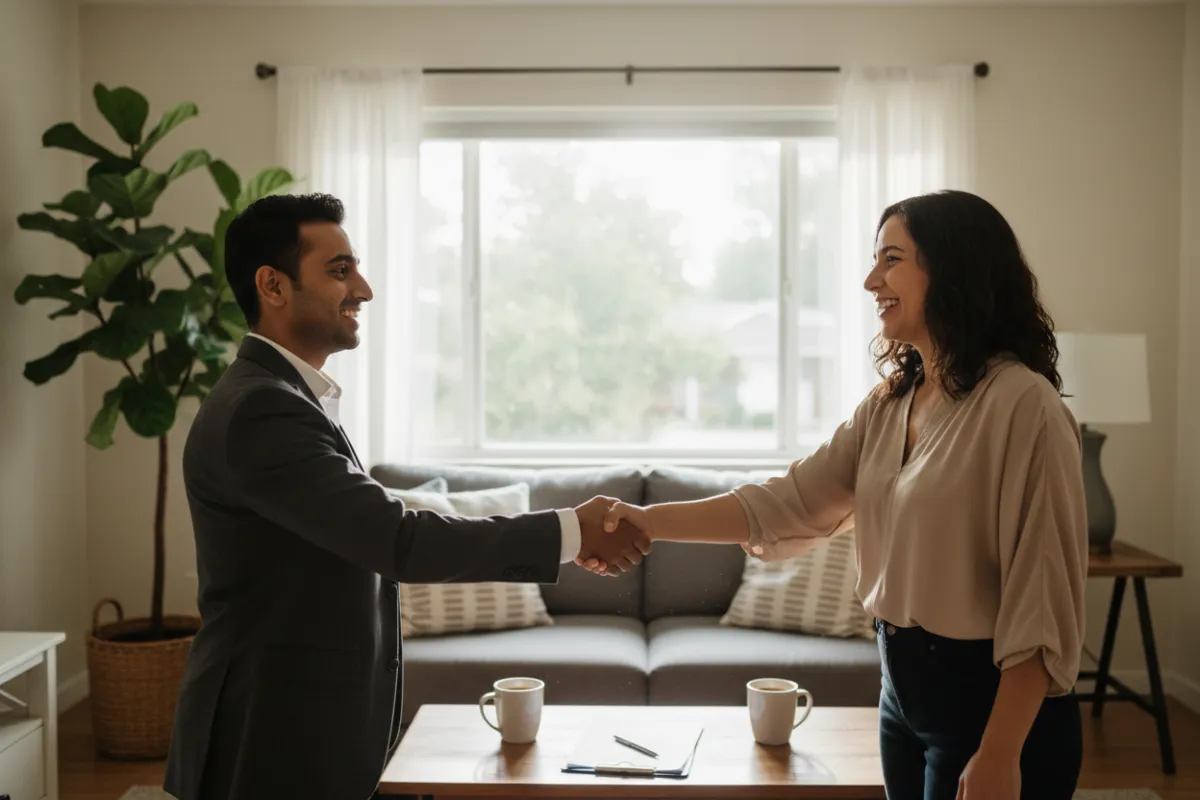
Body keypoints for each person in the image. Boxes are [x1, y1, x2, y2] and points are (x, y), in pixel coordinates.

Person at [588, 190, 1088, 800]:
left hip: (990, 713)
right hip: (900, 696)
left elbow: (1042, 597)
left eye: (892, 260)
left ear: (953, 269)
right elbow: (786, 502)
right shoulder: (889, 404)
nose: (870, 280)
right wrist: (647, 520)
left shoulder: (1023, 406)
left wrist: (1001, 751)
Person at [163, 193, 649, 800]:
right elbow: (397, 540)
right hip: (269, 731)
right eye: (340, 270)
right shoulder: (263, 409)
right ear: (273, 286)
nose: (362, 289)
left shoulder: (281, 397)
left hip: (299, 722)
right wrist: (571, 532)